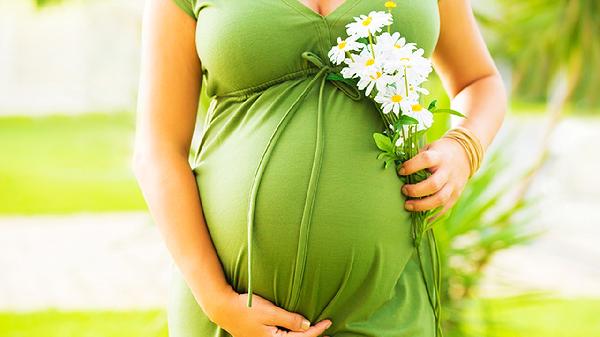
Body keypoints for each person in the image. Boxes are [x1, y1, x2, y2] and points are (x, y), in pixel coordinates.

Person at [132, 0, 506, 336]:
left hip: (388, 307)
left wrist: (465, 147)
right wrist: (217, 301)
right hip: (232, 312)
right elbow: (158, 149)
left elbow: (480, 80)